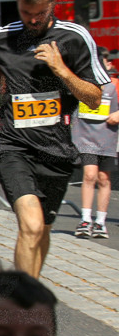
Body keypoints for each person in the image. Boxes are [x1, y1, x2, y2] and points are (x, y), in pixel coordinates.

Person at [0, 0, 110, 279]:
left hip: (55, 148)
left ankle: (29, 297)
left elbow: (93, 98)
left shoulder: (74, 37)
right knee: (31, 225)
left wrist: (61, 69)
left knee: (42, 229)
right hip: (11, 143)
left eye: (40, 12)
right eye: (26, 12)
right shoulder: (2, 38)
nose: (33, 20)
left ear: (54, 1)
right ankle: (22, 305)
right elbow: (0, 84)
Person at [74, 47, 118, 240]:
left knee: (103, 178)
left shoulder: (113, 84)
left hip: (107, 137)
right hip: (86, 138)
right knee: (90, 175)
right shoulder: (79, 83)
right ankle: (85, 220)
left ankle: (100, 221)